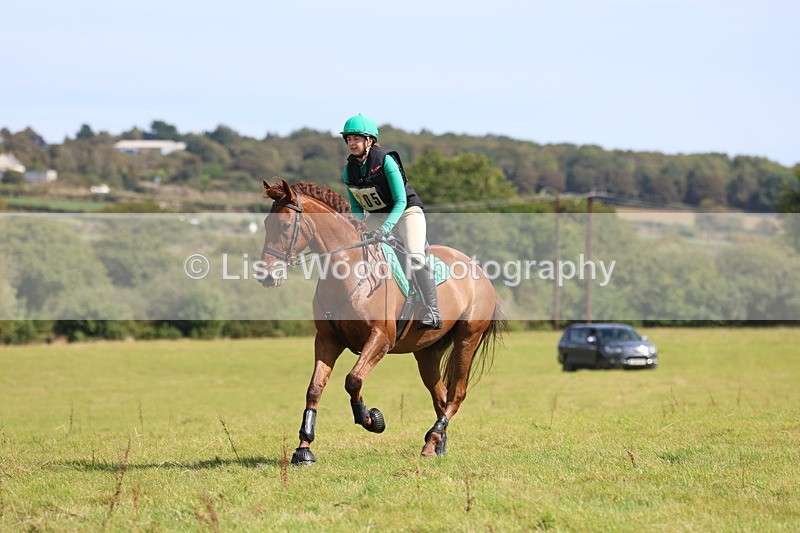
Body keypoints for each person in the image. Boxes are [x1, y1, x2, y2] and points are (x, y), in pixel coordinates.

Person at [340, 114, 441, 330]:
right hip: (376, 216)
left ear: (370, 141)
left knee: (414, 254)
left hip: (406, 212)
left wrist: (385, 228)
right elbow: (357, 207)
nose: (351, 143)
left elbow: (400, 200)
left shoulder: (386, 161)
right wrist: (361, 228)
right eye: (348, 139)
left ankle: (432, 310)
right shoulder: (349, 170)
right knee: (358, 250)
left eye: (356, 138)